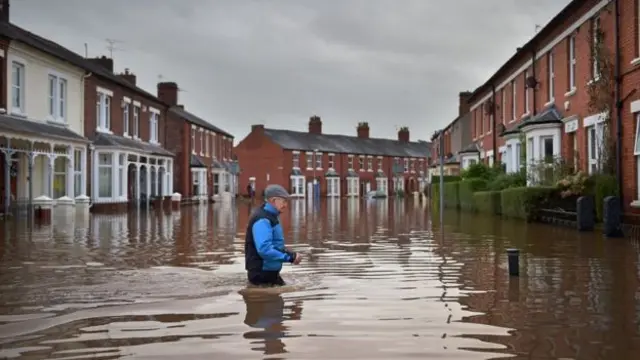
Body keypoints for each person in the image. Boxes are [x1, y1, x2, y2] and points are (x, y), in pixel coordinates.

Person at [245, 184, 301, 286]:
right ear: (274, 200)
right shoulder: (262, 219)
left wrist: (288, 252)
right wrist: (289, 258)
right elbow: (264, 249)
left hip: (269, 273)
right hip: (261, 275)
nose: (286, 205)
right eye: (284, 201)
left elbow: (274, 244)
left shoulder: (270, 216)